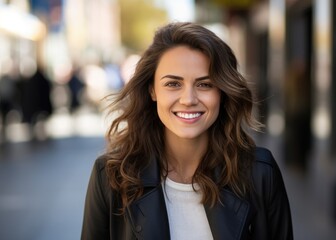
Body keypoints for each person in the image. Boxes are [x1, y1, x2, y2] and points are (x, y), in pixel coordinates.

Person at [81, 22, 293, 240]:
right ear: (152, 90)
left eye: (205, 84)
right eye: (173, 84)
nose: (189, 99)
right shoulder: (111, 176)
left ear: (222, 91)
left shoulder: (259, 173)